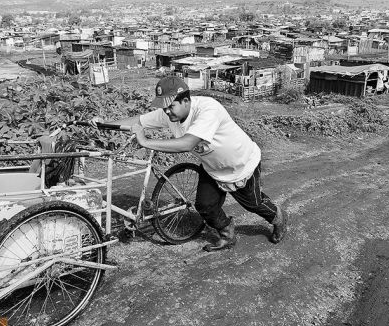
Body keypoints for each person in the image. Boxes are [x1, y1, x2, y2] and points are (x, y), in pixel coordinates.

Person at [101, 76, 287, 252]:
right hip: (213, 167)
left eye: (171, 106)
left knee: (253, 204)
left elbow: (187, 143)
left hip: (242, 163)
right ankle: (227, 233)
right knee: (205, 205)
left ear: (186, 100)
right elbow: (139, 121)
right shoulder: (169, 114)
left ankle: (278, 216)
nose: (166, 111)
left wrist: (146, 142)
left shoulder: (208, 109)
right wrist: (103, 123)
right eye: (164, 107)